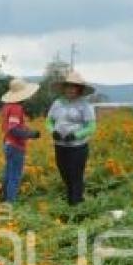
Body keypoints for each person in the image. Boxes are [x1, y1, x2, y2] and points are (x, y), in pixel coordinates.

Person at [46, 71, 96, 205]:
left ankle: (75, 205)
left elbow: (91, 126)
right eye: (69, 86)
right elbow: (49, 121)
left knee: (75, 176)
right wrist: (53, 131)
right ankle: (73, 200)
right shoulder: (57, 103)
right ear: (64, 88)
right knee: (65, 174)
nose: (71, 89)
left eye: (74, 87)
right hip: (60, 145)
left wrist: (75, 135)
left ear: (79, 90)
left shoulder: (84, 105)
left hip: (78, 147)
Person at [0, 78, 41, 202]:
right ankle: (10, 203)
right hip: (15, 146)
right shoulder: (16, 108)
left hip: (7, 143)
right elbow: (14, 129)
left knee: (8, 174)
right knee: (14, 176)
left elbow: (13, 126)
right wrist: (31, 134)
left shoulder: (7, 106)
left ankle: (5, 199)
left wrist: (27, 129)